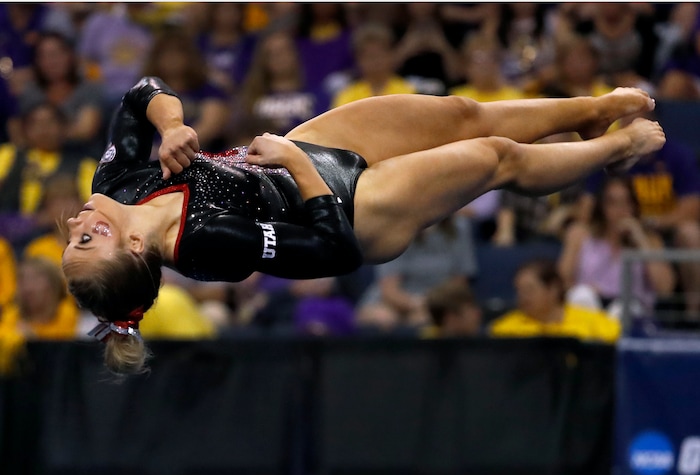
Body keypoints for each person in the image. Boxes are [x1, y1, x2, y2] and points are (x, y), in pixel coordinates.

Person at [61, 75, 665, 375]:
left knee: (461, 113)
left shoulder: (114, 187)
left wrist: (171, 126)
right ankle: (612, 150)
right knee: (493, 156)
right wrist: (297, 163)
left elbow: (142, 93)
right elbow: (333, 248)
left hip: (301, 155)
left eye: (72, 237)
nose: (73, 222)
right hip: (352, 210)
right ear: (137, 247)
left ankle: (591, 112)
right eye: (86, 241)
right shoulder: (205, 245)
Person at [558, 174, 675, 319]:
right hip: (591, 307)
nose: (620, 210)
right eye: (612, 203)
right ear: (601, 206)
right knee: (581, 295)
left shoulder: (650, 240)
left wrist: (640, 240)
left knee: (620, 311)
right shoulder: (580, 234)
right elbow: (562, 280)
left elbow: (665, 289)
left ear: (634, 206)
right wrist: (586, 290)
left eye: (626, 203)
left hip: (629, 309)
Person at [489, 258, 621, 344]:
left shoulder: (593, 323)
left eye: (529, 290)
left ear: (553, 289)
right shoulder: (504, 331)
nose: (523, 297)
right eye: (519, 290)